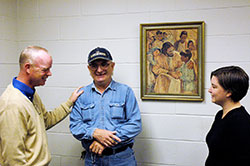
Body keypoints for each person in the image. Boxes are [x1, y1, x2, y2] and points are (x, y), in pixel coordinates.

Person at [0, 46, 83, 166]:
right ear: (28, 68)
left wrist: (69, 102)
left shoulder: (30, 94)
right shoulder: (13, 104)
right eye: (45, 70)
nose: (50, 74)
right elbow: (12, 159)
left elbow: (46, 121)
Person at [70, 47, 142, 166]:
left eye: (104, 64)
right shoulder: (81, 95)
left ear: (112, 66)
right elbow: (75, 126)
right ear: (89, 68)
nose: (99, 70)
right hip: (93, 159)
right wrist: (94, 133)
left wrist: (105, 141)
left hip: (122, 159)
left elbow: (135, 124)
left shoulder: (125, 91)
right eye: (94, 65)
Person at [206, 66, 250, 166]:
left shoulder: (241, 122)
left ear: (229, 92)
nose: (209, 90)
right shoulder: (220, 115)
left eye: (214, 87)